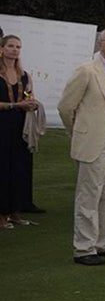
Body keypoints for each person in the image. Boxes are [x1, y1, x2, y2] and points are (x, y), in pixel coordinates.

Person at [58, 28, 105, 266]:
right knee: (89, 193)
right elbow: (65, 107)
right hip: (94, 138)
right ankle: (84, 248)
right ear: (101, 44)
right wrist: (79, 132)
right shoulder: (86, 70)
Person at [0, 34, 42, 228]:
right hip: (3, 123)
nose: (15, 50)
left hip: (20, 125)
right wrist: (14, 105)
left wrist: (31, 103)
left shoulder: (24, 75)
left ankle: (15, 211)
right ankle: (2, 214)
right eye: (11, 46)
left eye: (18, 47)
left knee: (19, 167)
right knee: (3, 167)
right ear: (2, 48)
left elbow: (28, 96)